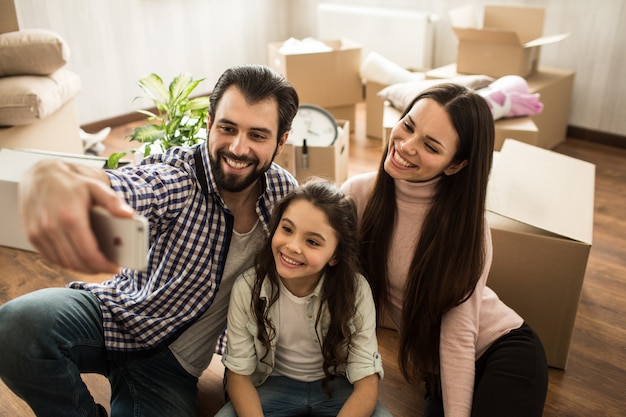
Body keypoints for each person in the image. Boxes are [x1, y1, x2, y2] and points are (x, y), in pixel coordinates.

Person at [0, 64, 300, 417]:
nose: (238, 147)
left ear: (281, 140)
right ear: (208, 123)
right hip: (114, 315)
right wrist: (86, 186)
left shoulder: (284, 197)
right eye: (227, 128)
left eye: (257, 136)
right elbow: (140, 185)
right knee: (14, 328)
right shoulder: (179, 175)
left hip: (171, 369)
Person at [341, 83, 548, 417]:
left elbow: (458, 335)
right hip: (436, 369)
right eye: (408, 125)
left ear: (455, 165)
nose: (406, 146)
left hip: (502, 347)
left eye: (431, 146)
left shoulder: (470, 228)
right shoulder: (358, 194)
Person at [215, 179, 392, 417]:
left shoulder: (356, 290)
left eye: (312, 242)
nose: (292, 247)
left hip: (337, 385)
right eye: (287, 229)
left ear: (335, 256)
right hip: (272, 383)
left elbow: (366, 381)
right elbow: (239, 375)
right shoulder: (248, 287)